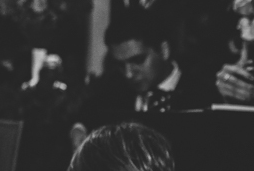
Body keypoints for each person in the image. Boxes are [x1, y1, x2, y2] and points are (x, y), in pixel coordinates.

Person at [70, 10, 217, 149]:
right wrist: (79, 129)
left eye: (138, 60)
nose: (128, 74)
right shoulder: (115, 87)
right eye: (121, 65)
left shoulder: (204, 92)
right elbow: (89, 111)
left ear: (164, 50)